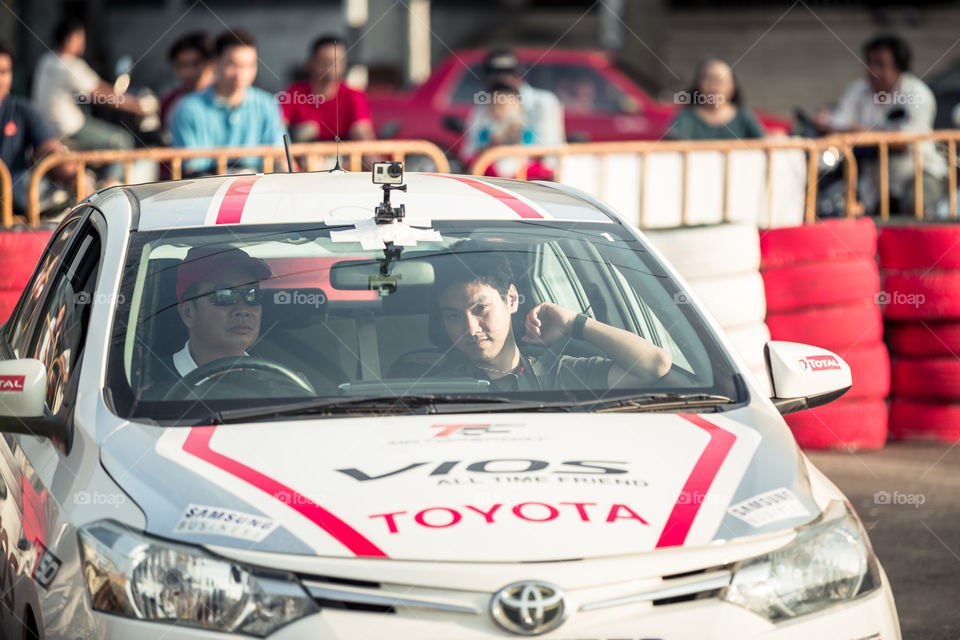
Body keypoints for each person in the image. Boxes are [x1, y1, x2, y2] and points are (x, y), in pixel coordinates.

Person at [432, 246, 671, 392]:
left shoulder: (562, 374)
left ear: (511, 300)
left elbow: (654, 364)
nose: (470, 329)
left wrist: (573, 323)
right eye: (453, 316)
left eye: (480, 308)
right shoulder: (436, 388)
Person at [815, 34, 947, 215]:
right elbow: (835, 121)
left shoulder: (917, 93)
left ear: (899, 68)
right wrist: (828, 121)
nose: (873, 70)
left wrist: (862, 132)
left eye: (881, 65)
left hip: (918, 171)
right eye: (870, 63)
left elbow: (904, 142)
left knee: (916, 208)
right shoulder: (859, 90)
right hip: (876, 179)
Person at [31, 17, 145, 180]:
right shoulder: (70, 65)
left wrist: (120, 95)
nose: (83, 42)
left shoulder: (46, 60)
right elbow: (101, 95)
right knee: (123, 141)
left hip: (46, 128)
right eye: (81, 37)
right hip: (68, 129)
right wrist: (138, 106)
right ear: (72, 38)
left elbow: (98, 84)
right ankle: (109, 187)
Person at [148, 246, 271, 396]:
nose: (243, 309)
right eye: (225, 295)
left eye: (252, 295)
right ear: (188, 313)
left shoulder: (283, 383)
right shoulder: (143, 388)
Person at [171, 29, 288, 176]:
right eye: (233, 65)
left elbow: (280, 157)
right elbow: (190, 167)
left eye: (249, 65)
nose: (241, 74)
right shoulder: (187, 108)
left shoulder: (267, 104)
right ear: (215, 63)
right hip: (206, 190)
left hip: (259, 190)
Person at [0, 43, 79, 213]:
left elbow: (48, 149)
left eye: (4, 72)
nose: (1, 79)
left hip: (17, 205)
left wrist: (76, 176)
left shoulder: (22, 110)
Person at [460, 49, 565, 169]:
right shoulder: (484, 105)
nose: (503, 79)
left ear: (519, 74)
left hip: (533, 178)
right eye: (496, 75)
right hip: (492, 176)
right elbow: (470, 150)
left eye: (509, 73)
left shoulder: (544, 102)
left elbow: (549, 155)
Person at [280, 35, 375, 142]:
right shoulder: (294, 94)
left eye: (338, 60)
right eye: (325, 61)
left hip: (344, 157)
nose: (332, 66)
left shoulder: (355, 95)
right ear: (310, 63)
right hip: (302, 157)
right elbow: (277, 129)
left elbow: (363, 132)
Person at [667, 58, 765, 141]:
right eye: (708, 79)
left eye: (720, 80)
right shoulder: (687, 117)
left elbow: (762, 142)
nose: (714, 86)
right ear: (698, 84)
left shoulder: (743, 116)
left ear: (733, 86)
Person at [160, 32, 214, 134]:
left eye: (195, 64)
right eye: (181, 65)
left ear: (212, 64)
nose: (187, 73)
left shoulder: (228, 101)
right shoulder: (169, 102)